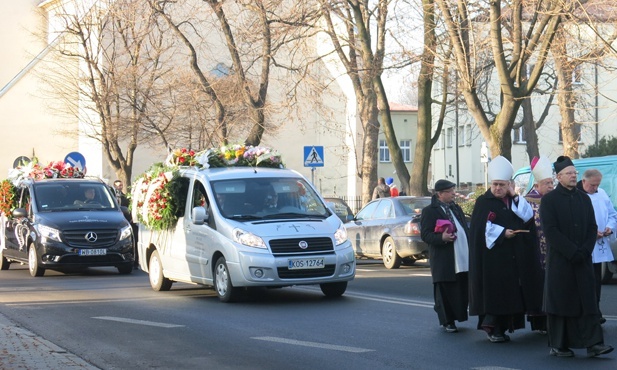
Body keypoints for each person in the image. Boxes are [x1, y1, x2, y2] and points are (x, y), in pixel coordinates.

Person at [540, 156, 613, 357]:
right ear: (558, 177)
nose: (573, 176)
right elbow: (551, 231)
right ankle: (559, 344)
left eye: (575, 173)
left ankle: (594, 343)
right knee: (562, 301)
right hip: (562, 260)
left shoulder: (584, 198)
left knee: (587, 301)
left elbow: (591, 226)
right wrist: (572, 251)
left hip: (583, 259)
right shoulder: (549, 200)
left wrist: (585, 250)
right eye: (569, 173)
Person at [469, 156, 544, 343]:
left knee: (511, 293)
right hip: (493, 259)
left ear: (509, 184)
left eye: (502, 185)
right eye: (495, 184)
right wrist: (503, 233)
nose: (497, 188)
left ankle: (507, 326)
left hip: (514, 257)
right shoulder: (483, 202)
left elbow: (527, 219)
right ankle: (494, 329)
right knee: (495, 294)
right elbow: (479, 229)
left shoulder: (513, 201)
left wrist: (516, 197)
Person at [420, 179, 470, 333]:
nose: (453, 194)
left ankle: (458, 315)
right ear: (440, 194)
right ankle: (448, 321)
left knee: (460, 289)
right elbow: (426, 235)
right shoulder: (430, 211)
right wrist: (441, 238)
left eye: (453, 190)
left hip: (461, 256)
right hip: (444, 258)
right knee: (445, 290)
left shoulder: (455, 208)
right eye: (450, 191)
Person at [576, 168, 617, 325]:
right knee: (583, 280)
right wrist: (591, 234)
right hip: (583, 246)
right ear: (584, 181)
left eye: (598, 185)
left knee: (595, 281)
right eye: (593, 185)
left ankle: (595, 311)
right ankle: (583, 313)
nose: (595, 188)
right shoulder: (577, 195)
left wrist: (609, 227)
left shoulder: (601, 193)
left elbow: (612, 214)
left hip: (599, 245)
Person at [523, 156, 554, 333]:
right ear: (536, 186)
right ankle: (539, 323)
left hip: (552, 252)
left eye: (551, 183)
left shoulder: (554, 200)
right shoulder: (528, 202)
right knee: (538, 287)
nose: (551, 187)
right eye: (547, 183)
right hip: (535, 252)